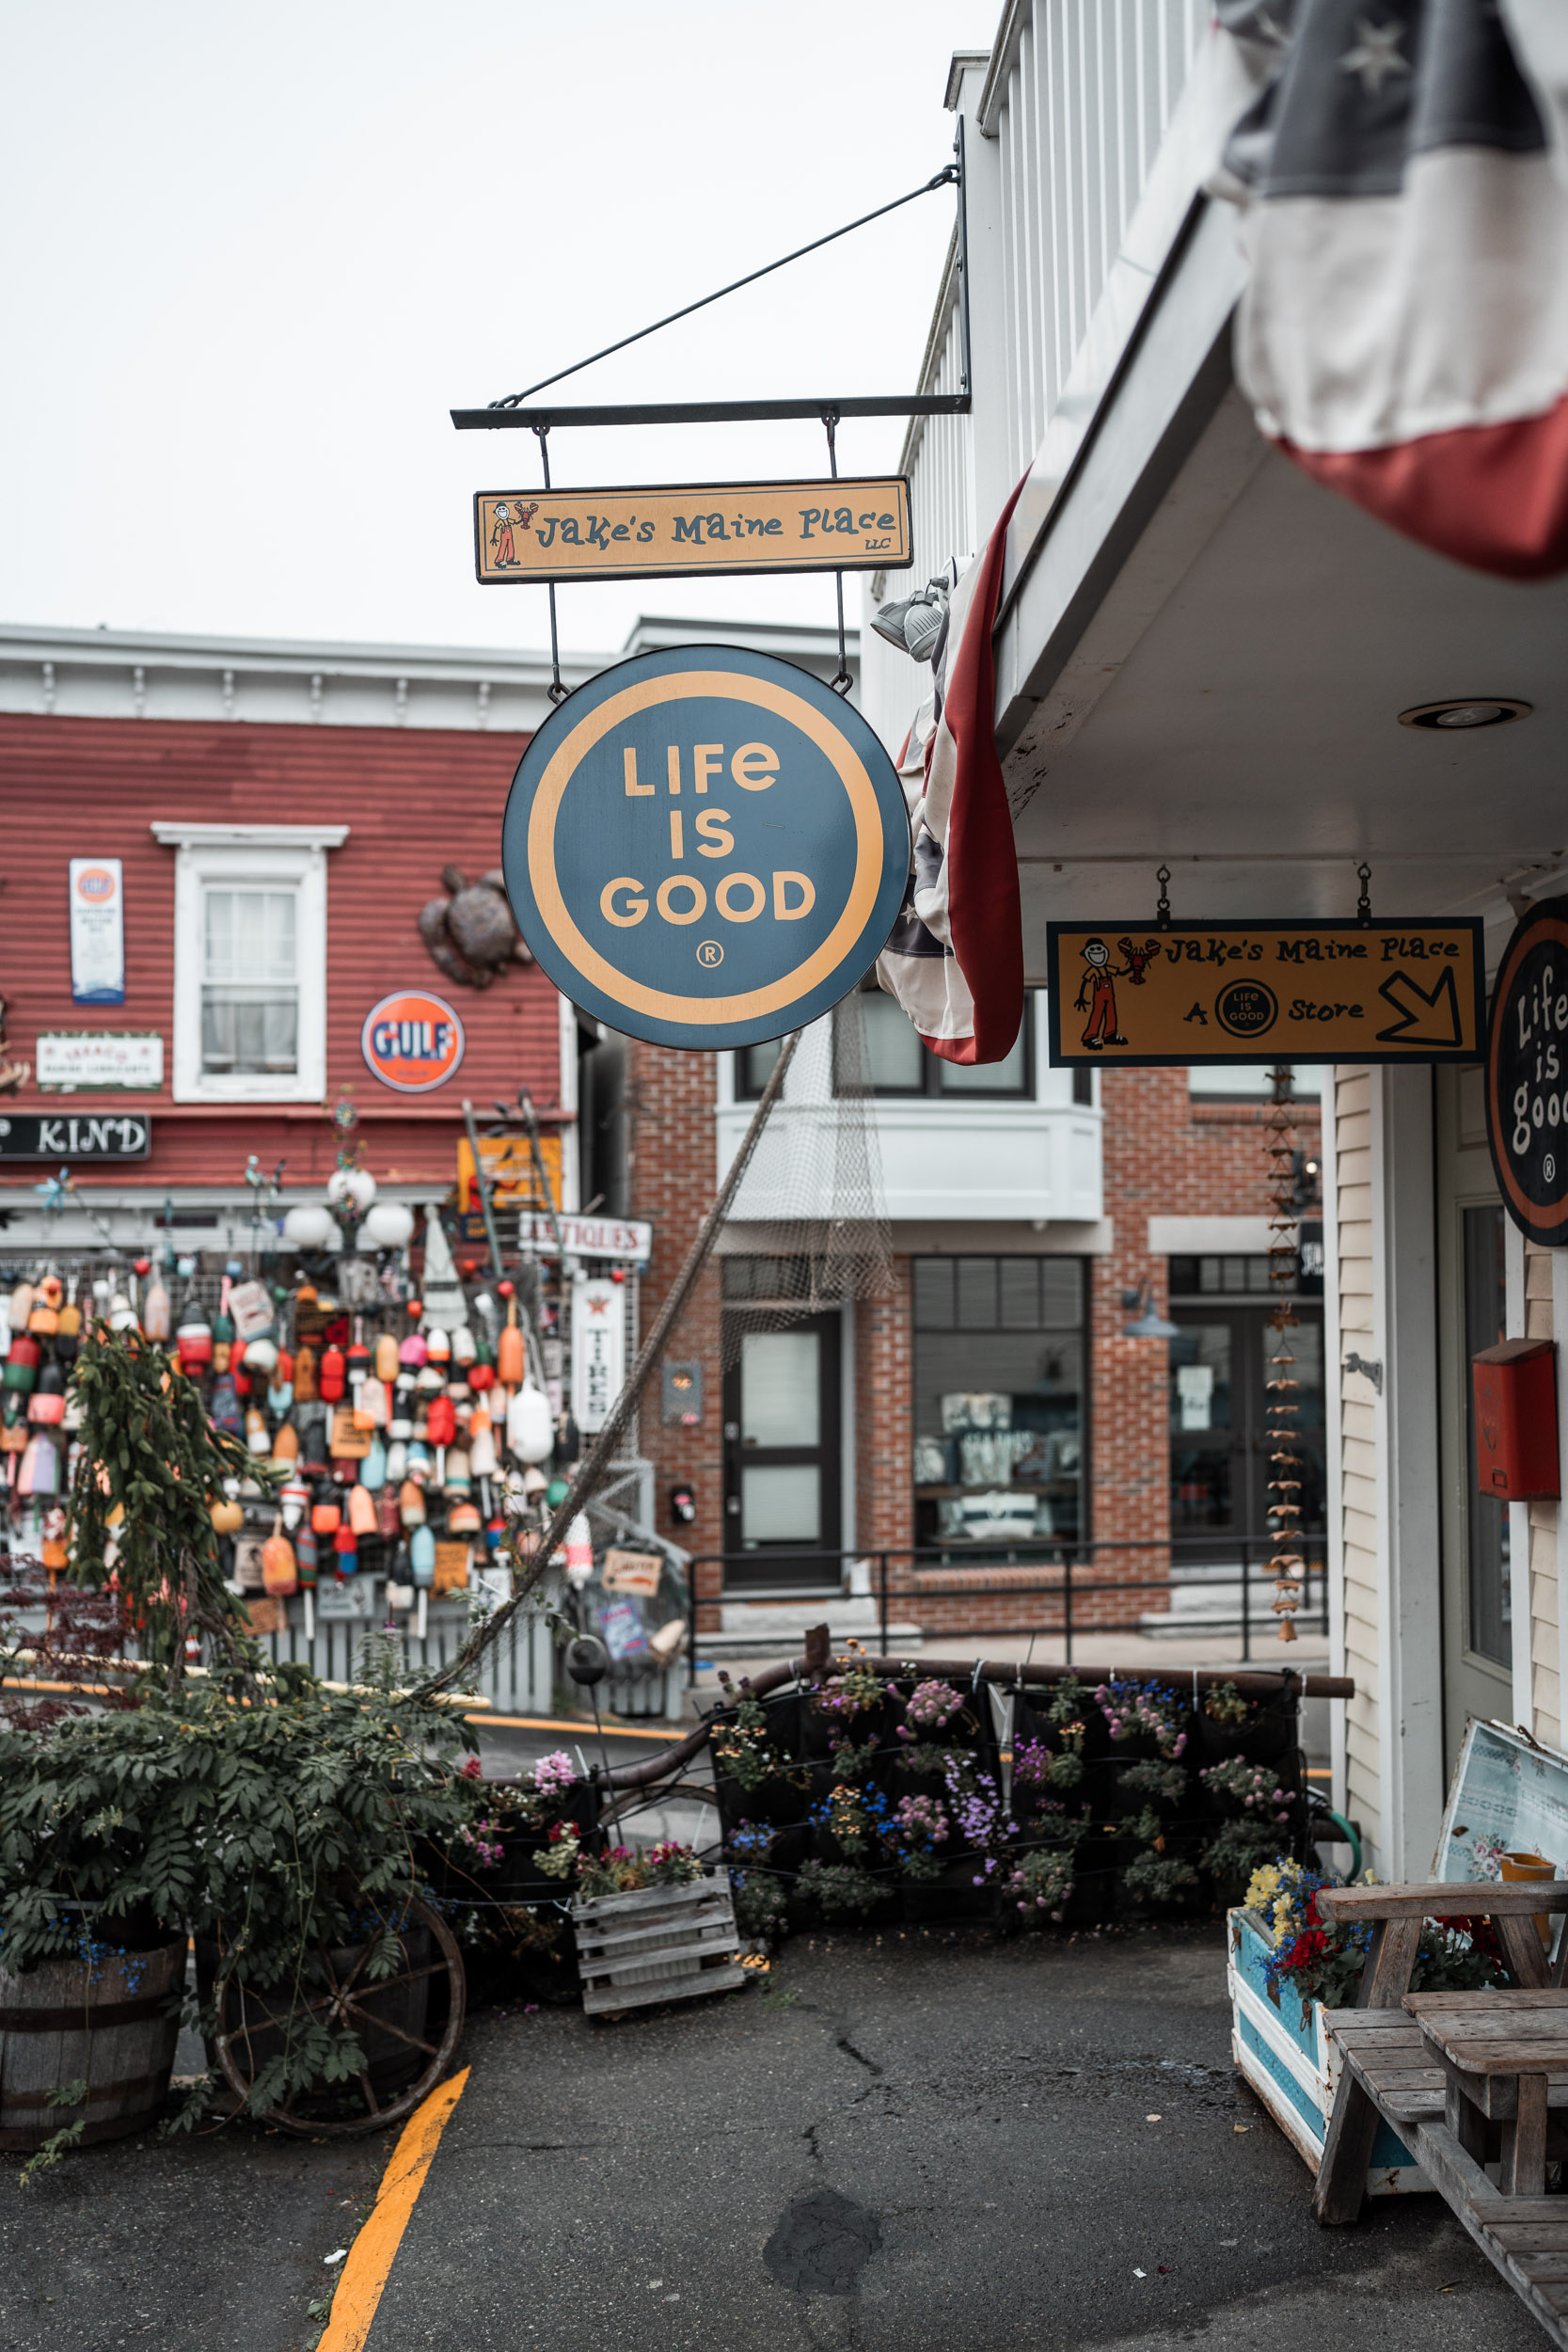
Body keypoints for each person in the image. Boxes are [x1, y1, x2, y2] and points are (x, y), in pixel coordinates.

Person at [1074, 938, 1128, 1049]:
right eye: (1092, 949)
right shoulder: (1092, 970)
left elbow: (1121, 973)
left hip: (1110, 996)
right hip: (1099, 997)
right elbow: (1085, 982)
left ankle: (1110, 1035)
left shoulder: (1107, 968)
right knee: (1096, 1015)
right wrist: (1081, 997)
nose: (1096, 952)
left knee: (1111, 1014)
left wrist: (1133, 967)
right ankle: (1089, 1037)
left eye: (1099, 948)